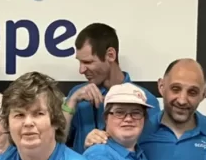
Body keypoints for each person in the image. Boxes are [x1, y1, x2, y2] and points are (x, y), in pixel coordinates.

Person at [63, 22, 159, 150]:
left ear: (111, 55)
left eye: (88, 62)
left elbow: (147, 153)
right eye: (79, 61)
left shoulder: (146, 100)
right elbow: (55, 144)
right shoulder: (77, 95)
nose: (81, 70)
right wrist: (72, 101)